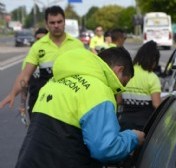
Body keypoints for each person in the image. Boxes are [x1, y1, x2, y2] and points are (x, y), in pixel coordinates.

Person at [15, 47, 145, 168]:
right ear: (119, 70)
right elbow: (105, 149)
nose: (119, 91)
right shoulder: (99, 91)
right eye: (123, 83)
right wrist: (133, 137)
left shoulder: (54, 82)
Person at [0, 5, 85, 110]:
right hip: (47, 103)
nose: (56, 25)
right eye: (52, 23)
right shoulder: (38, 46)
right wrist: (12, 94)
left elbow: (87, 73)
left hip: (72, 101)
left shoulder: (77, 45)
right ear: (46, 25)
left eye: (59, 22)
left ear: (64, 22)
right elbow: (25, 76)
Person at [118, 40, 162, 131]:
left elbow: (119, 100)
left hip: (125, 123)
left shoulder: (126, 73)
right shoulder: (152, 78)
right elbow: (156, 104)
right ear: (153, 60)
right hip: (145, 125)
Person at [20, 27, 48, 121]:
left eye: (43, 39)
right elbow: (24, 83)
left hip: (52, 104)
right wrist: (22, 106)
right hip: (34, 104)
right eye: (37, 39)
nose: (39, 42)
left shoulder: (55, 58)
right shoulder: (28, 61)